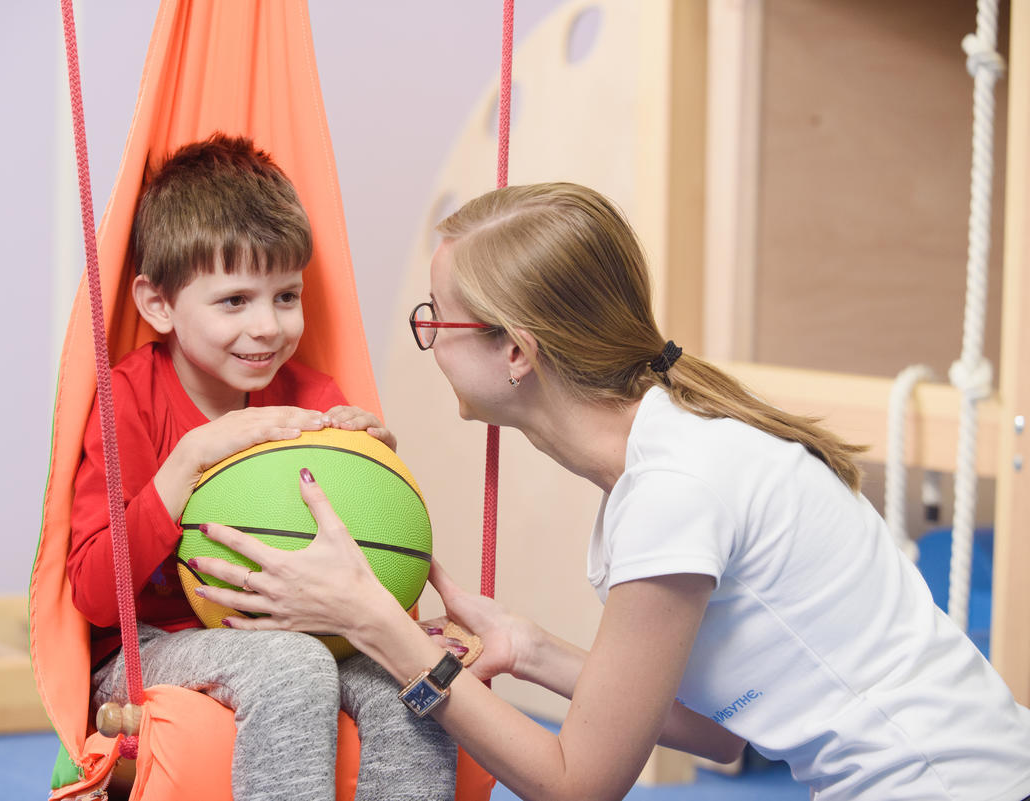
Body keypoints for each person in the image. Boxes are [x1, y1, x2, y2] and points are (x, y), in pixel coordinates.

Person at [188, 182, 1030, 800]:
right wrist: (529, 646)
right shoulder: (667, 454)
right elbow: (725, 730)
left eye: (433, 320)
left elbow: (577, 783)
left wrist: (375, 623)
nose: (428, 343)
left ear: (515, 353)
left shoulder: (674, 486)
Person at [67, 133, 460, 801]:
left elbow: (374, 569)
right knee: (291, 664)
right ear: (158, 304)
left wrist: (371, 474)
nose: (268, 326)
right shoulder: (126, 402)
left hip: (311, 623)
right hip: (157, 641)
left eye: (285, 296)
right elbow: (95, 595)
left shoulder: (313, 399)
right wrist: (186, 462)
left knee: (418, 675)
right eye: (234, 301)